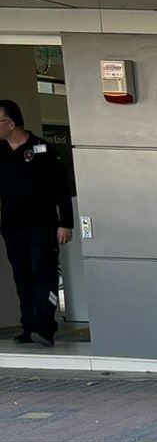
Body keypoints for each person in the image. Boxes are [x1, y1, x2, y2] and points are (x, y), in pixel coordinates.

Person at [0, 99, 73, 347]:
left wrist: (66, 222)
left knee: (44, 275)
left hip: (42, 226)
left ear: (10, 123)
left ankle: (45, 328)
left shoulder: (41, 149)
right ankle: (28, 327)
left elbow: (61, 189)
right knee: (23, 278)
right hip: (13, 227)